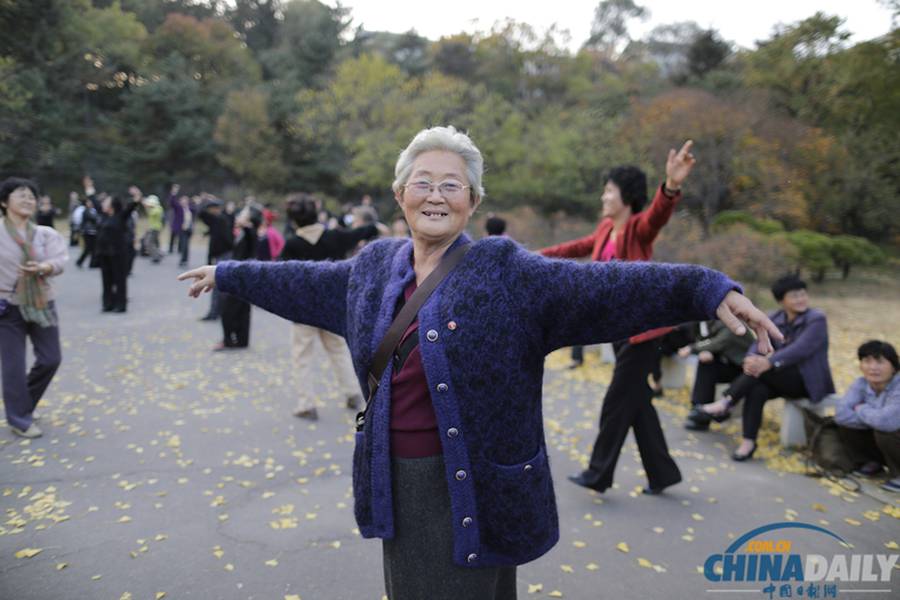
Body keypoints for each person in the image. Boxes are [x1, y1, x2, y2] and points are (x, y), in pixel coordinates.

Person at [179, 126, 780, 599]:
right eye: (422, 182)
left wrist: (708, 289)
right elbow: (310, 284)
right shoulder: (372, 267)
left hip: (479, 482)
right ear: (399, 195)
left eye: (451, 184)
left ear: (472, 201)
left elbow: (610, 286)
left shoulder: (506, 272)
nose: (435, 195)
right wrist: (230, 272)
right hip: (400, 482)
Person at [542, 157, 695, 495]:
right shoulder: (604, 231)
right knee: (638, 404)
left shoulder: (638, 229)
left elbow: (658, 216)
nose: (603, 198)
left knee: (616, 402)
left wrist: (670, 187)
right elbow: (574, 248)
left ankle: (599, 474)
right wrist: (531, 257)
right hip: (618, 332)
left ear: (625, 196)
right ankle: (663, 473)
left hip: (643, 334)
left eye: (609, 191)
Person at [700, 275, 836, 460]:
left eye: (803, 294)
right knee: (757, 389)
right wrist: (751, 358)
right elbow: (759, 341)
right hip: (778, 377)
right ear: (782, 301)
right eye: (794, 296)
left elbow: (801, 349)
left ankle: (727, 402)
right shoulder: (775, 317)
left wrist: (768, 362)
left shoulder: (816, 318)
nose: (801, 299)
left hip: (806, 381)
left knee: (763, 372)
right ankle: (749, 442)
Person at [279, 193, 380, 420]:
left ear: (293, 220)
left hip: (303, 308)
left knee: (302, 356)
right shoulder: (334, 236)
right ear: (318, 214)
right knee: (337, 350)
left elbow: (280, 275)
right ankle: (352, 392)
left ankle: (306, 403)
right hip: (332, 306)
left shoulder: (292, 244)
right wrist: (375, 225)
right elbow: (365, 231)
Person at [0, 178, 68, 438]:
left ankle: (23, 402)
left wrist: (45, 267)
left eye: (31, 196)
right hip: (7, 307)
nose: (28, 200)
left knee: (51, 358)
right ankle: (19, 418)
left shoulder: (44, 234)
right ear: (4, 202)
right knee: (13, 365)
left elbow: (60, 260)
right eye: (21, 195)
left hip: (42, 302)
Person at [834, 340, 900, 492]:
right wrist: (874, 417)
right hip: (883, 431)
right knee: (847, 426)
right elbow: (841, 414)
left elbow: (887, 422)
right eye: (867, 361)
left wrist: (861, 408)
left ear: (894, 367)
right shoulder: (861, 383)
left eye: (880, 362)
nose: (873, 367)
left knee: (885, 431)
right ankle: (872, 463)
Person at [682, 320, 754, 431]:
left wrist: (693, 348)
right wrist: (707, 352)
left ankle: (712, 411)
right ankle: (700, 410)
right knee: (705, 363)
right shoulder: (703, 322)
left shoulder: (730, 320)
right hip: (730, 363)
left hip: (745, 369)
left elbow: (719, 342)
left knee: (708, 361)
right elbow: (707, 341)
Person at [214, 205, 261, 350]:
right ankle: (241, 340)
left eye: (243, 214)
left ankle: (228, 340)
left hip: (241, 277)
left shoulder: (249, 232)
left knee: (227, 309)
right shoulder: (243, 232)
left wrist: (246, 226)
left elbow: (251, 234)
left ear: (249, 220)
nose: (238, 215)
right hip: (242, 276)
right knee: (242, 309)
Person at [96, 195, 138, 313]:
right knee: (106, 280)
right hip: (104, 254)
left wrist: (136, 199)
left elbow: (130, 208)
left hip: (118, 254)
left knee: (119, 280)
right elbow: (95, 203)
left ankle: (120, 305)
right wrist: (89, 189)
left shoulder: (120, 216)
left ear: (112, 205)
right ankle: (107, 304)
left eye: (106, 202)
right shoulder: (103, 216)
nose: (103, 203)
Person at [197, 199, 234, 321]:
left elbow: (201, 213)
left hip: (223, 255)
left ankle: (216, 312)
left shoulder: (219, 219)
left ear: (215, 209)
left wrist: (203, 200)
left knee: (217, 285)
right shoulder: (221, 219)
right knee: (218, 285)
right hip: (223, 254)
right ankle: (218, 312)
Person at [75, 196, 99, 269]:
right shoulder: (86, 211)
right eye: (88, 202)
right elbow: (93, 219)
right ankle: (79, 261)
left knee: (94, 248)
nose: (90, 203)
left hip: (93, 232)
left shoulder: (94, 210)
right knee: (88, 248)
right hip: (87, 232)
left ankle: (93, 263)